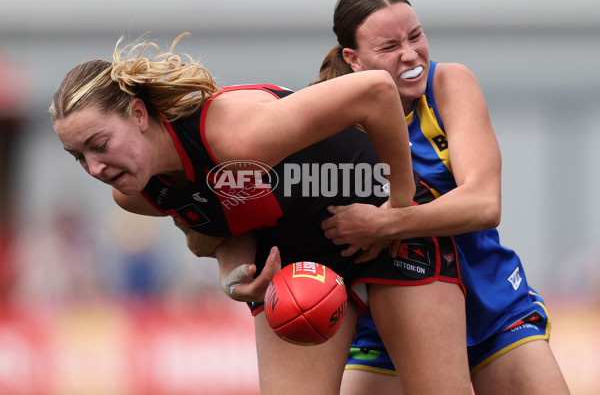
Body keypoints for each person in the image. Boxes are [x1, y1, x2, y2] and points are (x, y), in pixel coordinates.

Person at [49, 34, 472, 395]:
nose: (95, 168)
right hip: (297, 266)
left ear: (139, 115)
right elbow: (218, 228)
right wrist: (236, 277)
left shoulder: (235, 133)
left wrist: (397, 211)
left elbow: (377, 89)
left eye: (99, 143)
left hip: (383, 227)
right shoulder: (136, 195)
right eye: (78, 157)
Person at [315, 0, 570, 394]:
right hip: (390, 322)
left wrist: (386, 224)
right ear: (353, 58)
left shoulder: (449, 83)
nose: (411, 54)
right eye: (389, 46)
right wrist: (241, 271)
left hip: (491, 307)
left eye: (415, 36)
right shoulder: (332, 118)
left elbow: (484, 203)